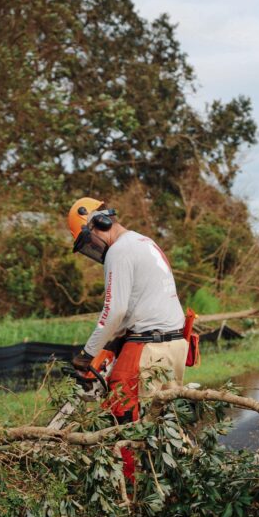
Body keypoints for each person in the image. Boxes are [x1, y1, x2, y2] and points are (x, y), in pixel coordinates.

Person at [67, 197, 194, 481]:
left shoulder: (119, 251)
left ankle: (132, 486)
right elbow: (138, 304)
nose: (93, 249)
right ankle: (182, 479)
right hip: (174, 344)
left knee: (125, 417)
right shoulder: (144, 242)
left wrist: (87, 355)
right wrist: (113, 343)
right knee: (166, 422)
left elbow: (114, 310)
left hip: (149, 347)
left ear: (99, 223)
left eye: (88, 241)